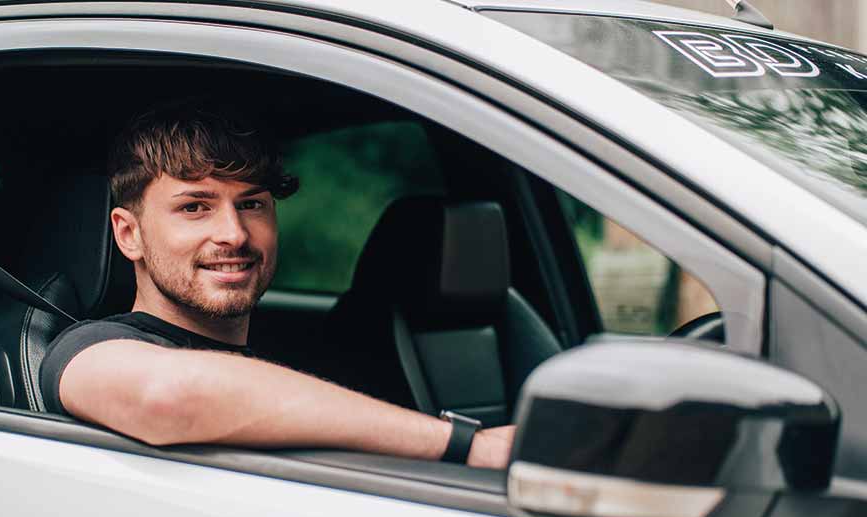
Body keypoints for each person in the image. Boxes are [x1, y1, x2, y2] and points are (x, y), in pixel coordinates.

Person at [38, 100, 515, 468]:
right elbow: (171, 398)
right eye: (194, 207)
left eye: (252, 204)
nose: (234, 233)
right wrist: (467, 447)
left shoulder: (314, 359)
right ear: (130, 234)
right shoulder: (89, 347)